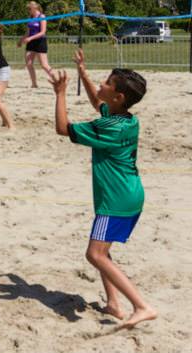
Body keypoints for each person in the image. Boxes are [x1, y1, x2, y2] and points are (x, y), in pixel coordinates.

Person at [48, 50, 156, 329]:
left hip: (116, 200)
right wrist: (82, 72)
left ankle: (142, 306)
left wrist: (60, 93)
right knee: (103, 252)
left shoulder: (108, 127)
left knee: (94, 254)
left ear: (118, 97)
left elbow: (63, 129)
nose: (102, 84)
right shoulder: (127, 119)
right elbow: (99, 103)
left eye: (107, 82)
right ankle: (113, 303)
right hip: (128, 195)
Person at [18, 1, 54, 87]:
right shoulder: (30, 17)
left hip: (40, 41)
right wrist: (21, 40)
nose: (28, 10)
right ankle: (34, 84)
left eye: (29, 8)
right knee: (29, 64)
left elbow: (42, 32)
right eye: (28, 9)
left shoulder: (42, 16)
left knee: (44, 65)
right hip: (31, 43)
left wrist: (30, 38)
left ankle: (57, 79)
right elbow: (28, 32)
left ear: (35, 8)